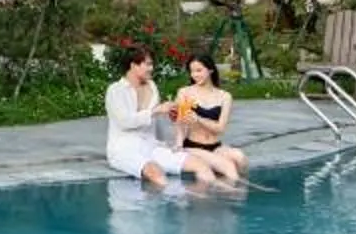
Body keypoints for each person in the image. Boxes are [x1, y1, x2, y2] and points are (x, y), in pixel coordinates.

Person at [104, 50, 197, 190]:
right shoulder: (115, 90)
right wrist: (156, 111)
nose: (151, 68)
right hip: (124, 149)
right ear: (133, 66)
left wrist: (169, 119)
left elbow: (156, 121)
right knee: (154, 171)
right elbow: (124, 122)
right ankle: (169, 203)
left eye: (151, 64)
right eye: (147, 64)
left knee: (196, 163)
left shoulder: (152, 87)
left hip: (151, 145)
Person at [173, 55, 249, 182]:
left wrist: (199, 119)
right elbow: (180, 123)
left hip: (215, 146)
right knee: (229, 168)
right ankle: (233, 197)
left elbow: (220, 129)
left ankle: (230, 191)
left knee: (241, 158)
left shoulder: (224, 96)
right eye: (192, 71)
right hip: (194, 145)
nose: (195, 75)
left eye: (199, 70)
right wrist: (178, 145)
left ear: (210, 70)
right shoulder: (185, 92)